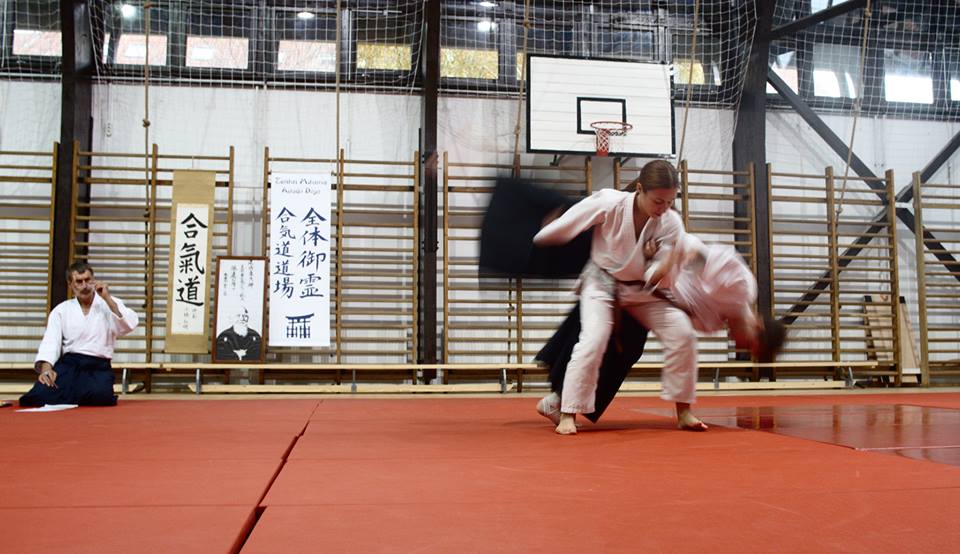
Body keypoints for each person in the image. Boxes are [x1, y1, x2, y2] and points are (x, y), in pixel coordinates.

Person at [532, 160, 704, 435]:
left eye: (670, 202)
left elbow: (656, 276)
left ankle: (684, 411)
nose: (664, 208)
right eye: (658, 201)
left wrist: (664, 262)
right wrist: (546, 235)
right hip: (601, 284)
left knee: (682, 332)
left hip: (641, 291)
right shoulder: (609, 202)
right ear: (640, 189)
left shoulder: (671, 222)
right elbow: (569, 224)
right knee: (594, 338)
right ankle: (567, 412)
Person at [20, 262, 139, 407]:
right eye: (79, 281)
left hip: (98, 367)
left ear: (93, 280)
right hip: (69, 365)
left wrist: (107, 298)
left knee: (101, 397)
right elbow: (51, 342)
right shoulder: (61, 310)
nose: (84, 286)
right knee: (37, 396)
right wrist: (46, 369)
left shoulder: (109, 304)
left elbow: (128, 326)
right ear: (70, 284)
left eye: (88, 280)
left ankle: (73, 395)